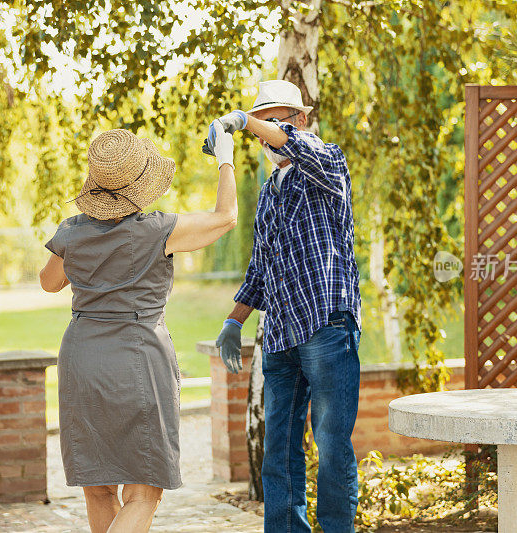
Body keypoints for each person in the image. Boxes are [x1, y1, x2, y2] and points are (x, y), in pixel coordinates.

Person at [39, 125, 237, 533]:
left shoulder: (70, 231)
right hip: (138, 360)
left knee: (98, 488)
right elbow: (226, 217)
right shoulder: (158, 229)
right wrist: (226, 158)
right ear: (140, 184)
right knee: (143, 494)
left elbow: (49, 282)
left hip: (82, 359)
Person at [213, 80, 362, 533]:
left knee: (332, 446)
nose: (265, 136)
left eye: (275, 122)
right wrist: (232, 321)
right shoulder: (268, 195)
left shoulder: (327, 164)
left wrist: (241, 120)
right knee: (277, 453)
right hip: (279, 337)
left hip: (325, 326)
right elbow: (260, 270)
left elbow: (300, 147)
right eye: (260, 129)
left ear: (300, 119)